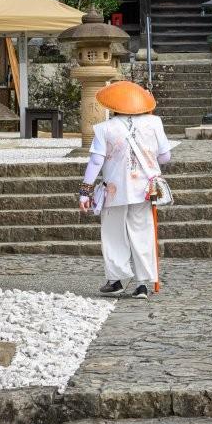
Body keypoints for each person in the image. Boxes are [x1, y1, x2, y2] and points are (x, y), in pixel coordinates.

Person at [78, 80, 171, 299]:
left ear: (113, 106)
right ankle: (142, 284)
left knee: (113, 234)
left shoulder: (104, 128)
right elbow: (165, 157)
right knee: (142, 233)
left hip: (114, 189)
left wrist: (85, 190)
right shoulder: (154, 122)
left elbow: (95, 161)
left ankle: (117, 280)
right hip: (145, 189)